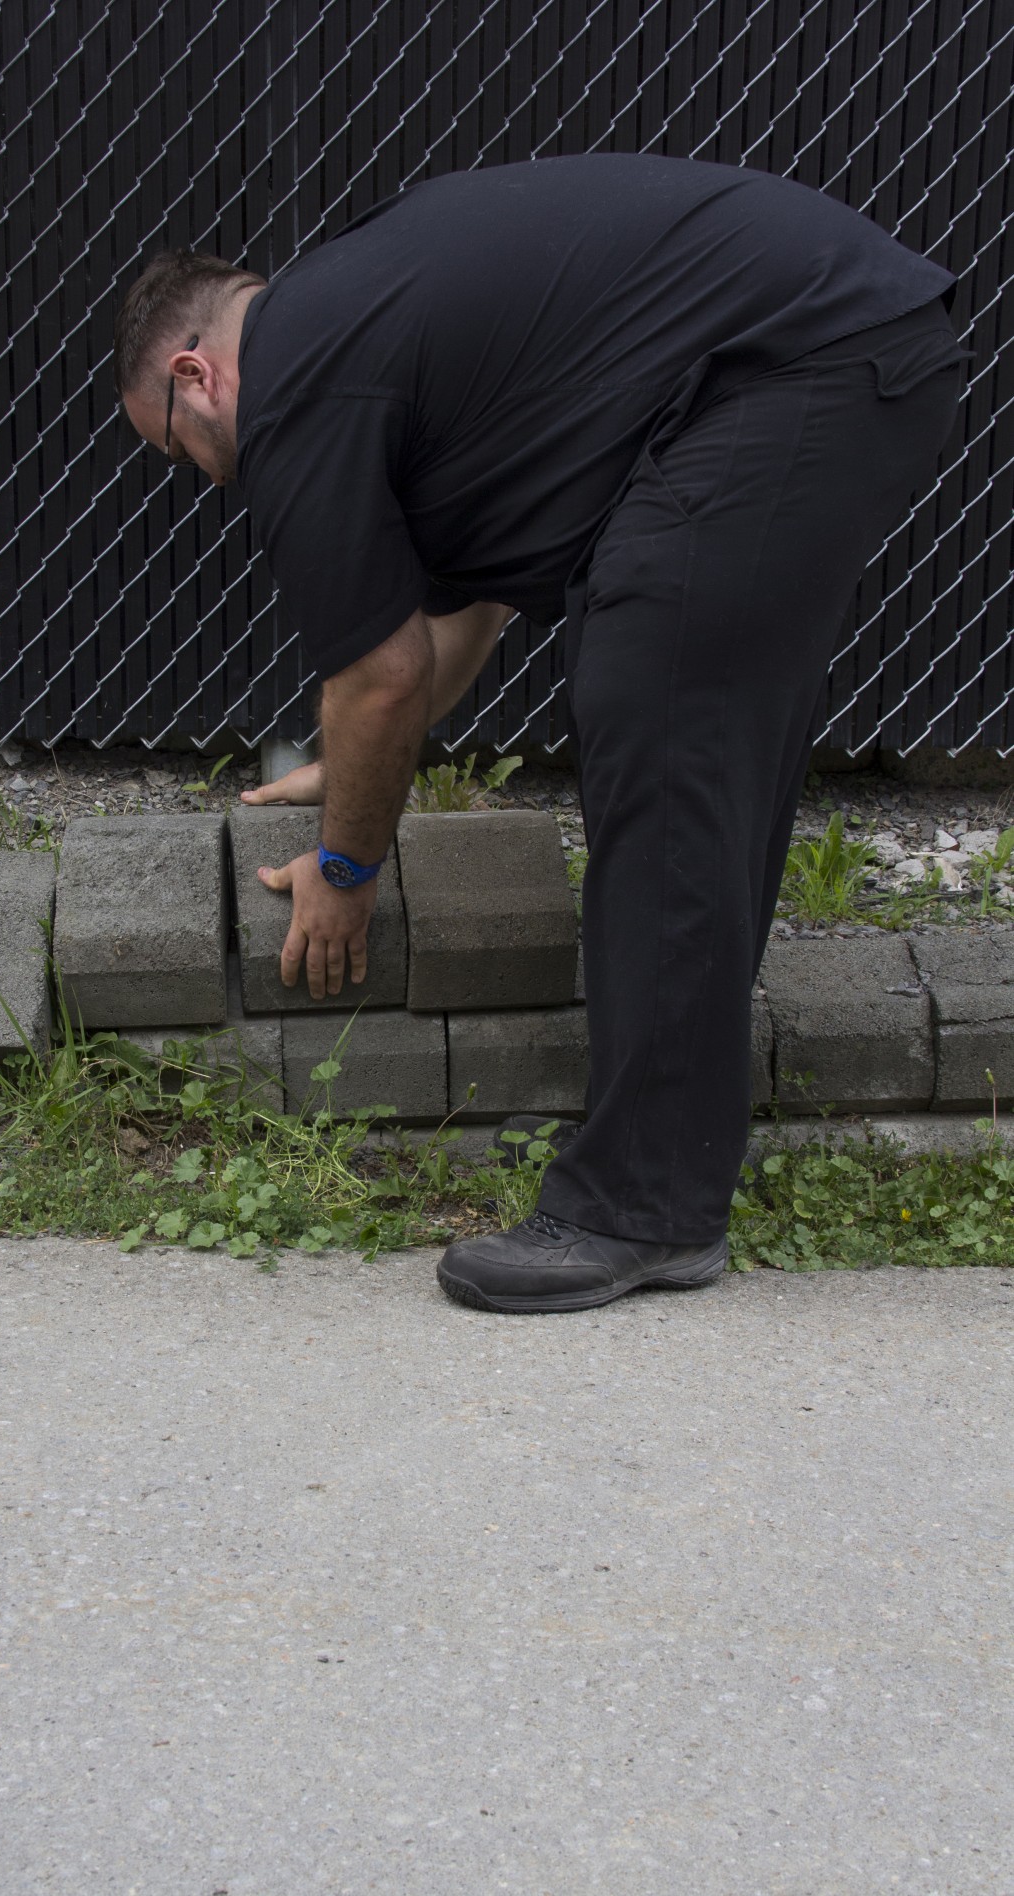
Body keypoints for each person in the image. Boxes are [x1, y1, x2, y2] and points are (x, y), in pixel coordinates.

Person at [114, 155, 965, 1314]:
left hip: (797, 361)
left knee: (654, 698)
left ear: (193, 375)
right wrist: (358, 757)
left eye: (176, 449)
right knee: (689, 724)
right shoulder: (362, 321)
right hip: (831, 349)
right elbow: (452, 623)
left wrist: (348, 866)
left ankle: (642, 1205)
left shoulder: (301, 374)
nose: (204, 479)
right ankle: (652, 1126)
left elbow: (379, 675)